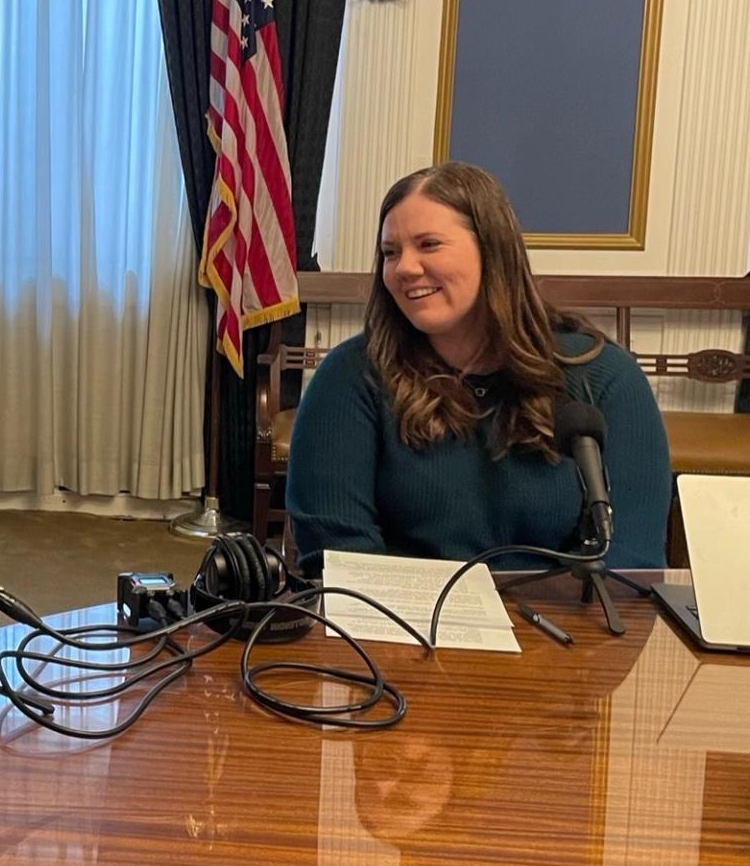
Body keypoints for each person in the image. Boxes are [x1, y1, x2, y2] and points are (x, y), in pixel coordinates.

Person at [286, 162, 671, 574]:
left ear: (493, 251)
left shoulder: (603, 376)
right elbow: (338, 555)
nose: (404, 268)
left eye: (429, 244)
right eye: (390, 252)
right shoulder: (351, 376)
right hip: (399, 612)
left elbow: (633, 560)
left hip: (563, 613)